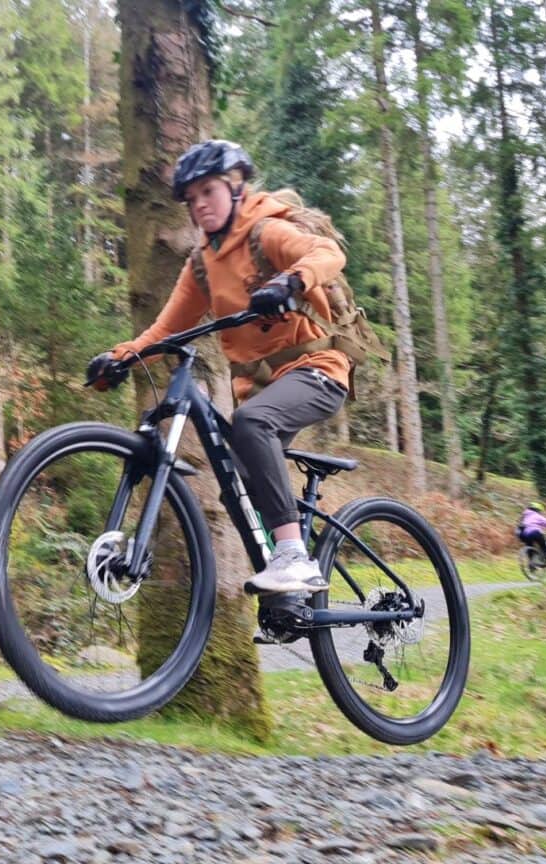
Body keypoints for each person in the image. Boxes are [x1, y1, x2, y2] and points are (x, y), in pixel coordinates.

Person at [85, 139, 349, 625]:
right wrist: (118, 357)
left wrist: (290, 281)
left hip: (317, 371)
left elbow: (326, 252)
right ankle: (287, 602)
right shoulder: (202, 265)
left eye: (209, 191)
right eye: (191, 199)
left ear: (236, 188)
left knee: (250, 424)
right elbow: (164, 331)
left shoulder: (266, 231)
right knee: (237, 484)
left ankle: (294, 557)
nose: (200, 205)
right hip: (263, 389)